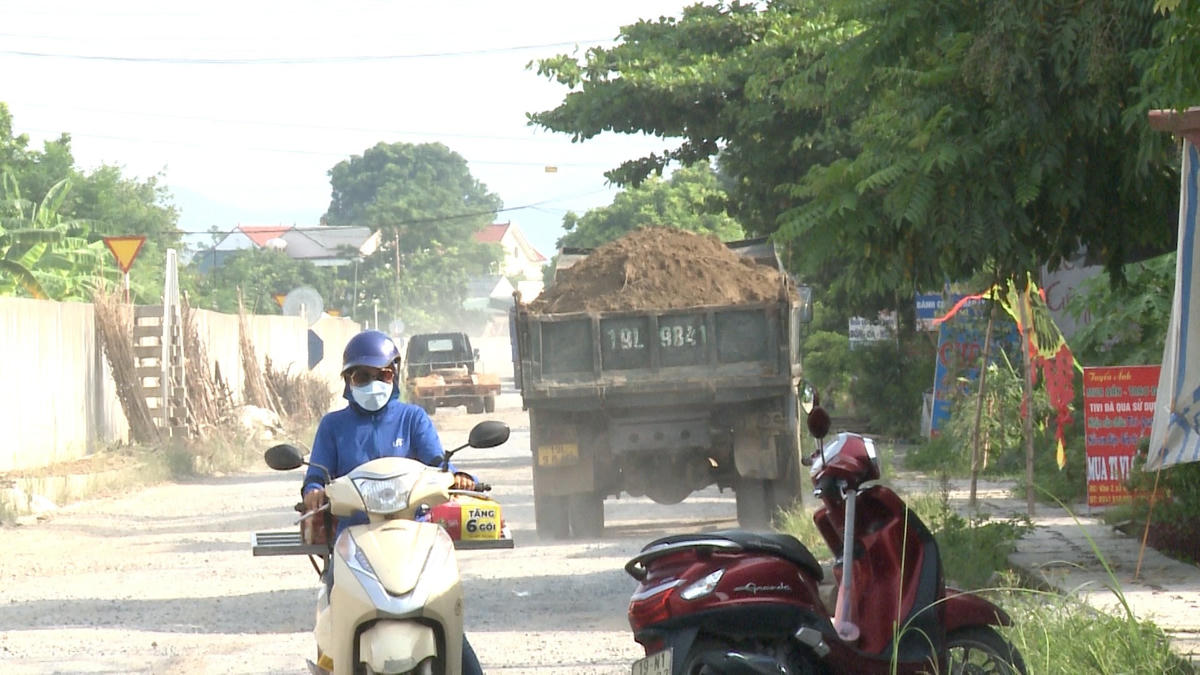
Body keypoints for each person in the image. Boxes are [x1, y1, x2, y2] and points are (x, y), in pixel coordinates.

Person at [301, 329, 484, 675]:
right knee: (333, 631)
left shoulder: (412, 419)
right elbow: (315, 476)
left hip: (413, 539)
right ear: (348, 381)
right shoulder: (333, 426)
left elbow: (437, 464)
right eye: (362, 376)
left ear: (395, 375)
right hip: (353, 544)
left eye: (381, 375)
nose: (373, 383)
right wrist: (312, 490)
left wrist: (457, 476)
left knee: (448, 618)